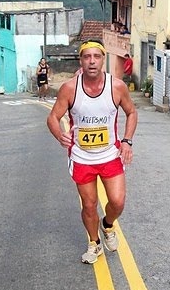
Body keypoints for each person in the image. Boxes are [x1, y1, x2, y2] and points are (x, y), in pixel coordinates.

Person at [47, 40, 138, 264]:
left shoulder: (116, 87)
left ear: (103, 60)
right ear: (81, 61)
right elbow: (52, 117)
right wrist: (60, 135)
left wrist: (127, 141)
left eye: (96, 57)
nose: (92, 62)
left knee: (117, 201)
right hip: (81, 157)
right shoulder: (69, 88)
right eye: (87, 57)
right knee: (89, 204)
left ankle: (107, 225)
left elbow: (132, 112)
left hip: (110, 154)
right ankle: (94, 243)